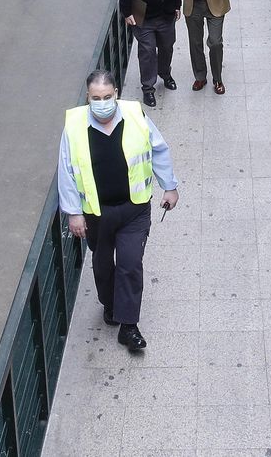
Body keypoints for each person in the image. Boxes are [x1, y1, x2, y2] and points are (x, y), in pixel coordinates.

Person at [57, 70, 179, 353]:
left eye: (107, 97)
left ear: (116, 94)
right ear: (88, 97)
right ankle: (110, 305)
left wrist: (169, 187)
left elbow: (158, 150)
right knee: (102, 265)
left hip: (134, 209)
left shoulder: (135, 115)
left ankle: (129, 326)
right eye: (96, 98)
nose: (102, 103)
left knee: (130, 263)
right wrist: (74, 213)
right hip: (96, 214)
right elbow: (66, 172)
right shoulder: (74, 127)